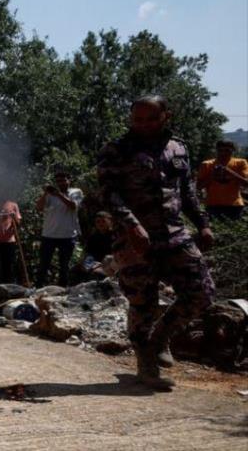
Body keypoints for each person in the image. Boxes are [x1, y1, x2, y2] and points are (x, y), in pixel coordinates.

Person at [97, 94, 215, 390]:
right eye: (138, 119)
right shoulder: (117, 150)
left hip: (175, 235)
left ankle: (161, 337)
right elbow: (109, 194)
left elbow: (187, 192)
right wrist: (132, 226)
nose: (144, 125)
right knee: (142, 303)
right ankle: (146, 364)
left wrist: (203, 225)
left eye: (151, 119)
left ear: (166, 116)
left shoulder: (178, 148)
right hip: (134, 240)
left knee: (201, 291)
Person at [35, 171, 83, 287]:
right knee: (43, 264)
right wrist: (46, 193)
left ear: (69, 180)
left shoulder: (75, 192)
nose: (60, 183)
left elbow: (73, 206)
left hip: (67, 236)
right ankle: (38, 288)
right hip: (49, 235)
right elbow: (39, 208)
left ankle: (62, 290)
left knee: (64, 266)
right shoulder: (50, 195)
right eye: (58, 181)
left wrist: (59, 195)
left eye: (63, 180)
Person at [196, 140, 248, 220]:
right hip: (213, 205)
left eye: (227, 150)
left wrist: (229, 171)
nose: (223, 153)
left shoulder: (241, 163)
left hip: (235, 206)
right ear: (216, 150)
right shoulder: (207, 164)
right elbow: (199, 186)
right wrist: (212, 175)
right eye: (220, 150)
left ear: (233, 150)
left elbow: (246, 183)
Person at [75, 211, 115, 280]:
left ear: (110, 222)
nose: (100, 224)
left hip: (110, 262)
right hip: (94, 261)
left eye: (103, 221)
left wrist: (102, 264)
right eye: (98, 222)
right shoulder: (93, 237)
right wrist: (83, 262)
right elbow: (87, 252)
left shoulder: (115, 236)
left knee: (97, 273)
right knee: (77, 270)